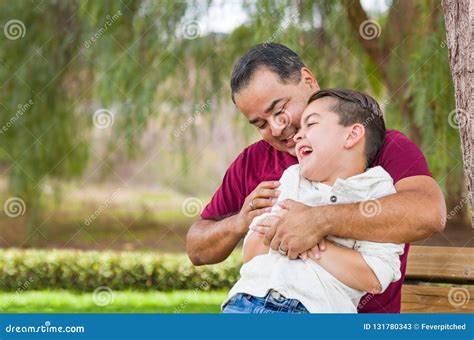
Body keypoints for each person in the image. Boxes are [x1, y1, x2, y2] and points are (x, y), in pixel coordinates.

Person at [186, 43, 446, 313]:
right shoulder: (252, 161)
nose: (276, 128)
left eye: (280, 109)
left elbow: (428, 213)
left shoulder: (378, 146)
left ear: (307, 80)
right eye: (261, 124)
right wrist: (239, 222)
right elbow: (197, 248)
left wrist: (319, 220)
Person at [222, 89, 404, 313]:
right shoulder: (292, 178)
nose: (297, 136)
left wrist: (311, 240)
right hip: (245, 301)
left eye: (312, 124)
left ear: (352, 135)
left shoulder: (376, 189)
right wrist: (288, 233)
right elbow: (251, 255)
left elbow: (375, 278)